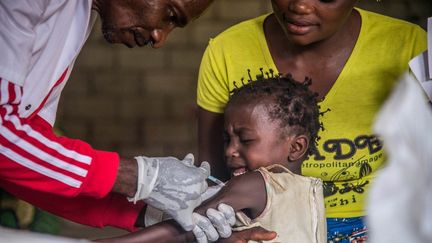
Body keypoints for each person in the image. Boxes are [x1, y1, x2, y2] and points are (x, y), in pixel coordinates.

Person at [196, 0, 427, 241]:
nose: (300, 6)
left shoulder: (408, 45)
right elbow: (213, 176)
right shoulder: (228, 50)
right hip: (269, 227)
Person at [0, 0, 218, 234]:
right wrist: (137, 176)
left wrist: (152, 212)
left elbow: (30, 164)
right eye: (170, 14)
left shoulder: (79, 15)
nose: (159, 38)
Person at [98, 75, 326, 243]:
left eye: (245, 140)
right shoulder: (308, 192)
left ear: (296, 147)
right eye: (228, 140)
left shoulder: (257, 183)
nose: (230, 151)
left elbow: (188, 225)